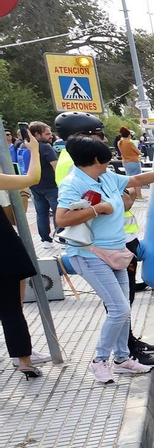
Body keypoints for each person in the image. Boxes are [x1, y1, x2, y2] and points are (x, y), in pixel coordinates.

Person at [57, 136, 154, 383]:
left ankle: (121, 360)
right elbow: (62, 219)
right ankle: (99, 360)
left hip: (116, 251)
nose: (110, 164)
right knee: (118, 309)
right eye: (107, 160)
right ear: (97, 159)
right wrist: (99, 209)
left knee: (124, 307)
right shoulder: (72, 184)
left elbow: (137, 179)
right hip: (89, 253)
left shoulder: (106, 177)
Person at [1, 126, 42, 377]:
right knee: (11, 308)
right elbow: (32, 178)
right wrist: (34, 151)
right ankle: (24, 361)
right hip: (3, 250)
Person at [26, 121, 58, 243]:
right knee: (58, 211)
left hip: (34, 186)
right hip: (50, 186)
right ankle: (61, 236)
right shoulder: (45, 147)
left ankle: (45, 239)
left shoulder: (25, 146)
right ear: (37, 135)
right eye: (47, 134)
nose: (50, 136)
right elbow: (56, 166)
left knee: (41, 213)